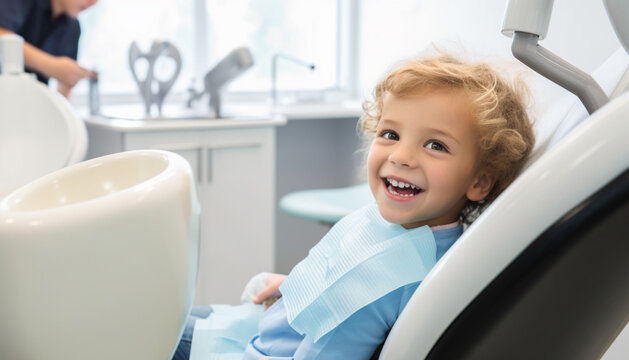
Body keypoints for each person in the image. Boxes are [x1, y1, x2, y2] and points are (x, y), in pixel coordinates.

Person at [173, 52, 535, 360]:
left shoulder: (385, 279)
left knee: (134, 329)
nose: (401, 156)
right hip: (260, 327)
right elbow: (345, 278)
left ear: (480, 181)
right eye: (390, 134)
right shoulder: (412, 233)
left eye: (435, 145)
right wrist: (298, 287)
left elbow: (343, 323)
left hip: (253, 350)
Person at [0, 0, 98, 97]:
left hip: (31, 102)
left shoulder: (72, 27)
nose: (93, 2)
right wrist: (51, 66)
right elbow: (2, 35)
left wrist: (69, 78)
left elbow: (65, 87)